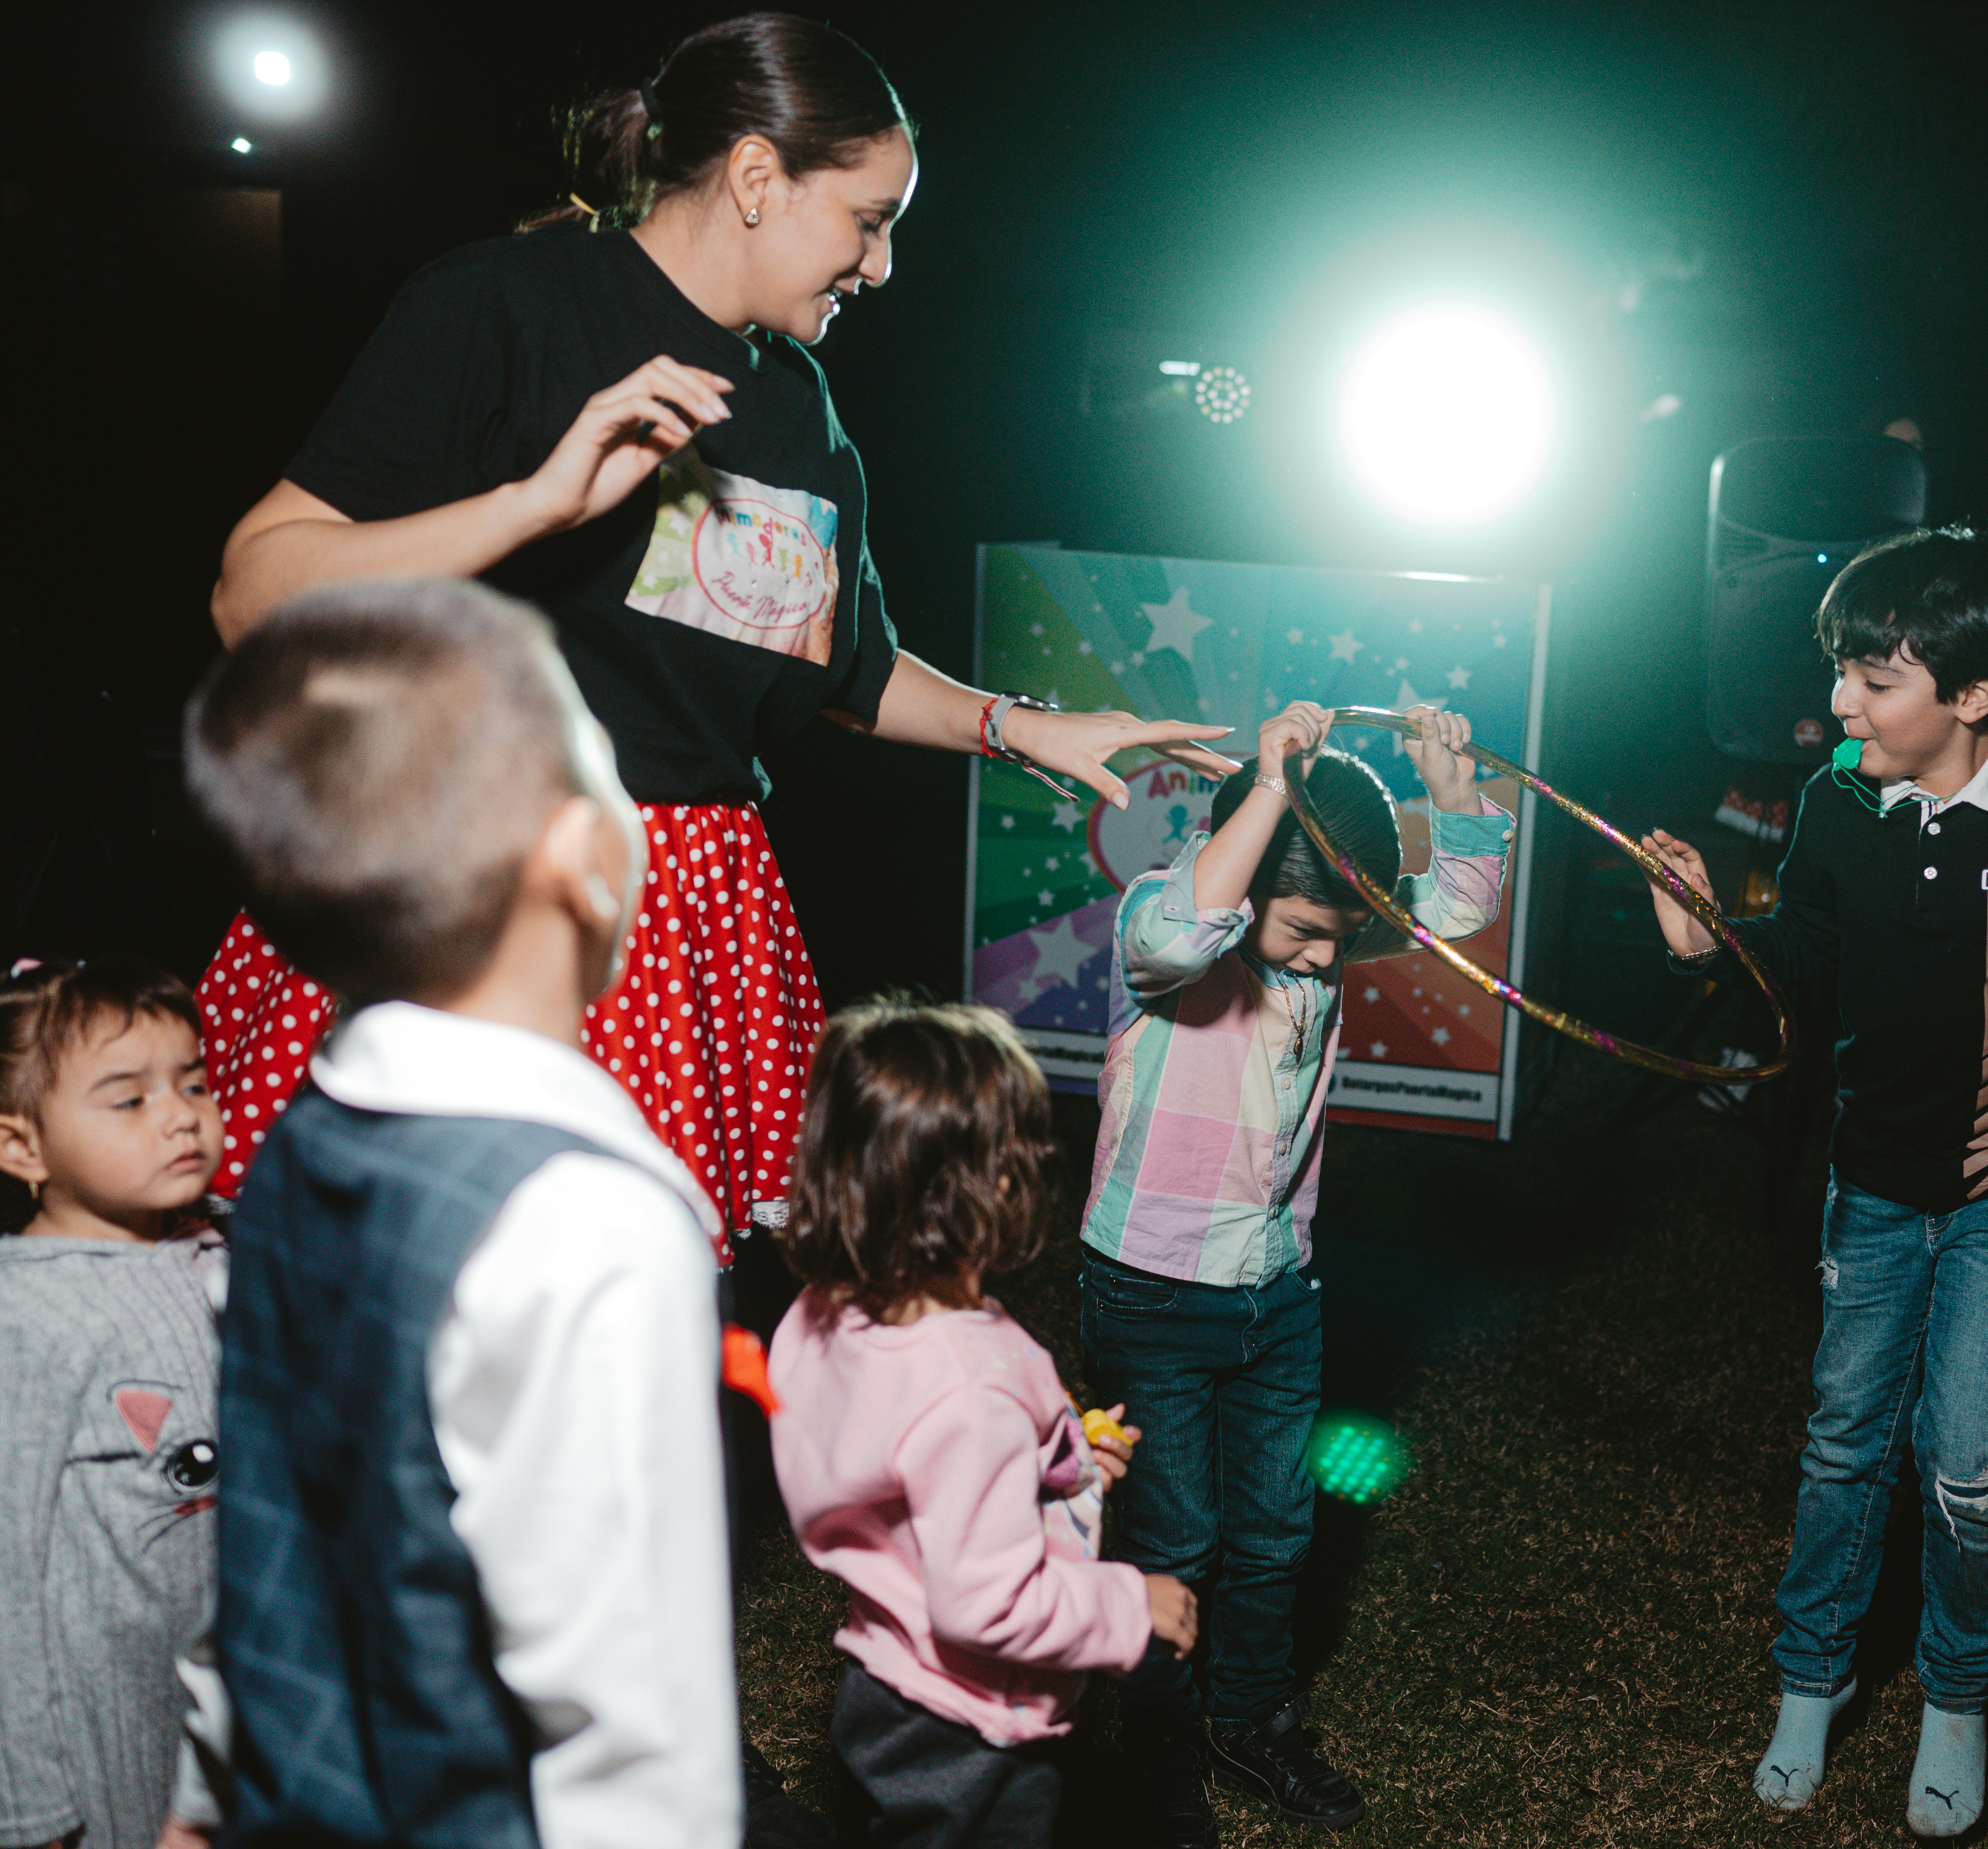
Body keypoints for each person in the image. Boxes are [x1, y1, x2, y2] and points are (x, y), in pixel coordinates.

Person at [195, 10, 1236, 1239]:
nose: (882, 267)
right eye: (869, 218)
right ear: (756, 175)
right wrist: (532, 508)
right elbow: (253, 592)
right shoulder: (504, 304)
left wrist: (1021, 729)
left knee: (642, 1316)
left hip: (698, 913)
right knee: (423, 1286)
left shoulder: (803, 410)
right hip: (477, 883)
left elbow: (845, 669)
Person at [187, 578, 740, 1849]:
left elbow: (272, 1541)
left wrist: (204, 1785)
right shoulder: (592, 1227)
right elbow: (635, 1736)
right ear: (580, 858)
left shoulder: (300, 1136)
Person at [1640, 526, 1988, 1836]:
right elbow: (1804, 954)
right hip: (1875, 1181)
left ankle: (1957, 1699)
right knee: (1843, 1442)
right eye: (1842, 673)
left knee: (1975, 1468)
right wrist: (1711, 937)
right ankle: (1810, 1684)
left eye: (1875, 680)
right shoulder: (1836, 806)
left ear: (1974, 696)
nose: (1839, 703)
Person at [1081, 700, 1510, 1847]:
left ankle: (1247, 1715)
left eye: (1341, 933)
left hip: (1274, 1289)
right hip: (1152, 1290)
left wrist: (1449, 792)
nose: (1329, 958)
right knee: (1171, 1541)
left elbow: (1458, 912)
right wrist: (1271, 785)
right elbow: (1177, 933)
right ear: (1252, 877)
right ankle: (1155, 1747)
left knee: (1272, 1531)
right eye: (1310, 931)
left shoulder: (1318, 923)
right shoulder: (1170, 921)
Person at [767, 1000, 1198, 1849]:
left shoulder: (825, 1319)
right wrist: (1129, 1604)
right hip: (972, 1724)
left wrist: (1060, 1463)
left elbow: (906, 1464)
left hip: (884, 1682)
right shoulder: (972, 1392)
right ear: (993, 1190)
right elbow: (987, 1605)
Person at [0, 958, 227, 1849]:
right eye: (129, 1100)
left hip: (211, 1732)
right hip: (105, 1750)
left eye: (195, 1083)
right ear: (23, 1148)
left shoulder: (209, 1255)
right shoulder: (30, 1316)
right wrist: (30, 1808)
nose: (180, 1115)